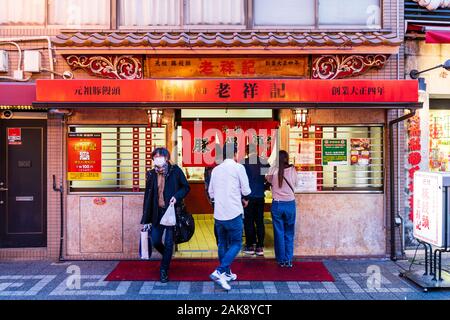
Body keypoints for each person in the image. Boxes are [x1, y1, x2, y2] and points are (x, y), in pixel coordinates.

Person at [141, 147, 190, 283]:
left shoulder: (175, 171)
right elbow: (148, 196)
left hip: (171, 212)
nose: (157, 158)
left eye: (160, 156)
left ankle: (164, 270)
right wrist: (146, 217)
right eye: (155, 156)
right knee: (156, 240)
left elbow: (186, 187)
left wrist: (177, 196)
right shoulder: (151, 174)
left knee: (169, 243)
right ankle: (167, 258)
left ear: (166, 158)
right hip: (158, 212)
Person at [208, 143, 251, 290]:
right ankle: (220, 271)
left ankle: (226, 274)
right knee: (236, 243)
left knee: (222, 243)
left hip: (219, 214)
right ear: (235, 153)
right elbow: (246, 190)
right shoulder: (239, 168)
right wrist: (244, 198)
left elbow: (211, 193)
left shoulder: (215, 170)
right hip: (234, 212)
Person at [266, 150, 298, 268]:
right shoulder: (292, 170)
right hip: (290, 204)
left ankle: (280, 260)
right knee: (289, 232)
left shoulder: (273, 169)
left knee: (279, 232)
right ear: (287, 158)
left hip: (277, 205)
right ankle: (288, 260)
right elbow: (296, 183)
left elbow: (268, 180)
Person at [243, 144, 270, 256]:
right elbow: (268, 179)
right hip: (260, 196)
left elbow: (242, 181)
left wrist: (244, 197)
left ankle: (250, 245)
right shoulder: (264, 162)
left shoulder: (243, 163)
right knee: (259, 221)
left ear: (247, 151)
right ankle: (260, 247)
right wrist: (263, 187)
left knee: (248, 221)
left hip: (248, 197)